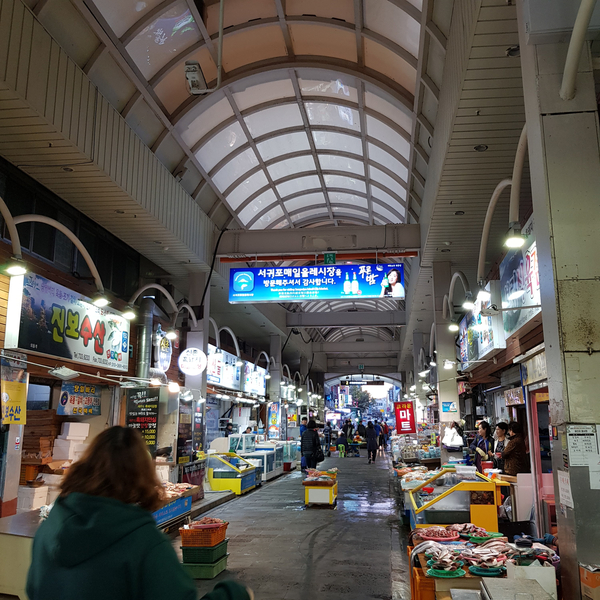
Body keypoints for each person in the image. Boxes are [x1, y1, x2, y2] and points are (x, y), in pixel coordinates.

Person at [26, 426, 252, 600]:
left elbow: (34, 588)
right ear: (141, 476)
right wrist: (233, 595)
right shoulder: (144, 543)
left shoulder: (50, 528)